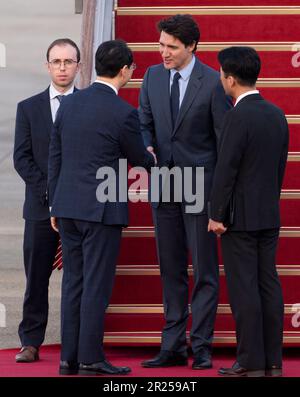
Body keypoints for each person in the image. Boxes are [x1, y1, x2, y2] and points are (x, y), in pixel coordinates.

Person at [48, 39, 155, 376]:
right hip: (102, 211)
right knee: (96, 284)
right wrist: (150, 156)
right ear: (125, 70)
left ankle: (69, 358)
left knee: (73, 284)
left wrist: (55, 203)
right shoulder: (124, 113)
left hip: (67, 207)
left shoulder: (69, 104)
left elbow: (56, 155)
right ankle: (92, 357)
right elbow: (139, 159)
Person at [139, 14, 232, 369]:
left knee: (205, 269)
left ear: (192, 46)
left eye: (171, 48)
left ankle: (203, 345)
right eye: (161, 45)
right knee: (171, 268)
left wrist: (220, 198)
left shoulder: (213, 81)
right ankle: (173, 345)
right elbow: (144, 123)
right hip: (164, 184)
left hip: (201, 187)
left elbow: (223, 141)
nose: (163, 53)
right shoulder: (151, 76)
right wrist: (146, 147)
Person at [208, 46, 289, 377]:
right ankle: (273, 361)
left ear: (229, 79)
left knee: (244, 290)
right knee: (268, 284)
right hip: (268, 214)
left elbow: (226, 169)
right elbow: (279, 167)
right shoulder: (276, 114)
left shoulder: (236, 116)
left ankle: (250, 361)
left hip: (238, 219)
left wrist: (216, 214)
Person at [13, 38, 80, 363]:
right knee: (36, 278)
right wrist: (50, 191)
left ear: (78, 67)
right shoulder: (27, 108)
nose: (63, 67)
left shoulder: (87, 105)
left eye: (69, 62)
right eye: (57, 62)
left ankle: (76, 341)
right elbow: (21, 158)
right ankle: (30, 341)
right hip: (39, 210)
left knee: (77, 278)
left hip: (78, 209)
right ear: (48, 65)